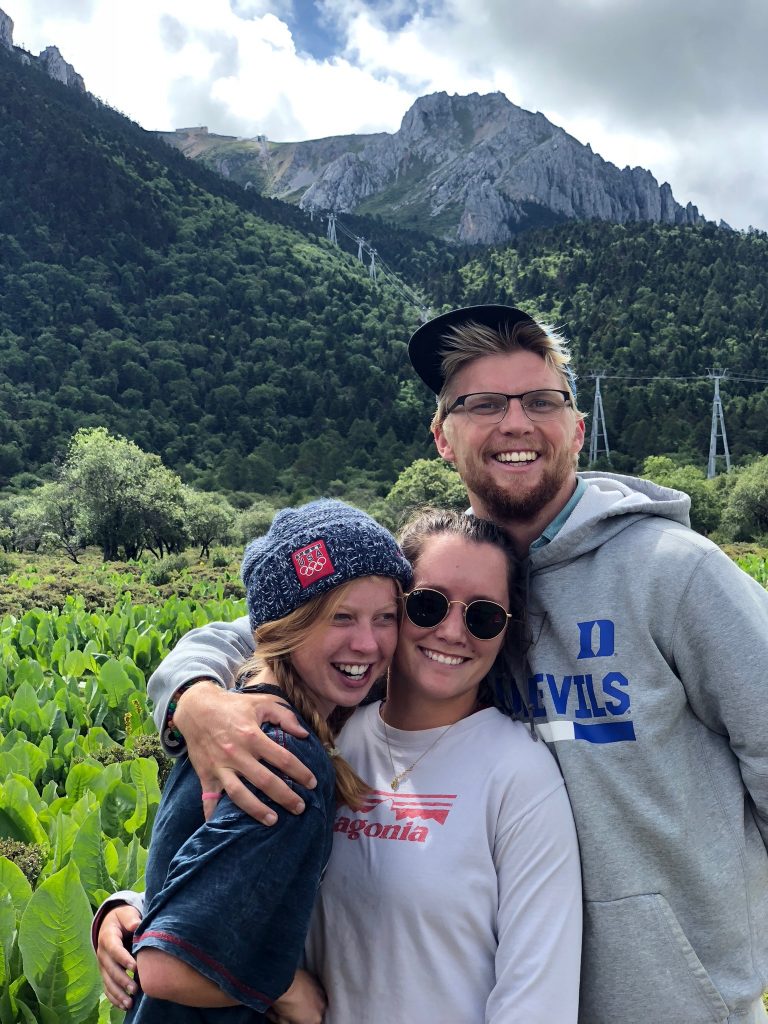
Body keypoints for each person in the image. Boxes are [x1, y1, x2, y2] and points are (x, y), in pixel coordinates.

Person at [104, 301, 768, 1024]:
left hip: (667, 1003)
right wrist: (194, 698)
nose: (515, 423)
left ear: (576, 428)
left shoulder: (674, 573)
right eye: (482, 404)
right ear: (442, 439)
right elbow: (277, 630)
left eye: (540, 400)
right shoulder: (418, 573)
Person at [96, 508, 583, 1024]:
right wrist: (137, 909)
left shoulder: (519, 776)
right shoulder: (317, 734)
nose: (452, 632)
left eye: (483, 616)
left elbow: (536, 1000)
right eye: (426, 605)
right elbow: (244, 878)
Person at [103, 498, 413, 1022]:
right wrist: (285, 989)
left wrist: (134, 906)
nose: (367, 642)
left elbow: (208, 872)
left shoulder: (240, 709)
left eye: (386, 617)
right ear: (286, 627)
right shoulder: (276, 750)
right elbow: (168, 967)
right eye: (340, 617)